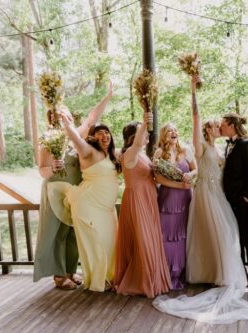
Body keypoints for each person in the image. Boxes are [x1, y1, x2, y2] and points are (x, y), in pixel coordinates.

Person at [153, 73, 248, 324]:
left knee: (227, 234)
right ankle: (212, 273)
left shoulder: (222, 147)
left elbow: (238, 170)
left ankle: (223, 272)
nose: (218, 127)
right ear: (207, 129)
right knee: (212, 233)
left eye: (219, 125)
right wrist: (193, 91)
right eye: (215, 125)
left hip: (219, 195)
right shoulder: (200, 146)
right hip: (205, 195)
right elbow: (195, 118)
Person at [32, 83, 109, 289]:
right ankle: (58, 275)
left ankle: (70, 271)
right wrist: (53, 168)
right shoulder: (48, 140)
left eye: (67, 115)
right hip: (55, 190)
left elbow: (92, 117)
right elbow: (42, 169)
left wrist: (108, 96)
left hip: (76, 191)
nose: (65, 118)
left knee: (73, 231)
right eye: (60, 115)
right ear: (53, 118)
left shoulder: (77, 135)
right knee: (57, 232)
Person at [49, 107, 120, 292]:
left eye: (107, 132)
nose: (104, 136)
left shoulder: (111, 155)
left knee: (110, 242)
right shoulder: (88, 151)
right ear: (93, 137)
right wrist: (66, 123)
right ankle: (99, 279)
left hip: (106, 209)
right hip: (88, 205)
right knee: (96, 242)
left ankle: (110, 276)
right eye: (99, 133)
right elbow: (75, 138)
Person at [113, 113, 171, 298]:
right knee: (143, 241)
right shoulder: (130, 153)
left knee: (148, 239)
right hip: (137, 200)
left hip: (148, 200)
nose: (146, 134)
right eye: (141, 131)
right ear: (133, 135)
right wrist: (145, 122)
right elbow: (137, 144)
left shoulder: (143, 156)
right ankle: (143, 281)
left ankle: (152, 278)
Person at [219, 112, 248, 287]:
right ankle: (240, 269)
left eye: (222, 124)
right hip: (227, 199)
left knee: (247, 236)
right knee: (234, 235)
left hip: (242, 200)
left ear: (231, 125)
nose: (220, 127)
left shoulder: (246, 144)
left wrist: (246, 196)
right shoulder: (228, 146)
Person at [153, 123, 194, 290]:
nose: (173, 132)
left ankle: (182, 272)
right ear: (164, 135)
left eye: (175, 130)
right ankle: (167, 274)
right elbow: (158, 179)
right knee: (167, 237)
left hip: (186, 199)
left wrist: (190, 175)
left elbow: (196, 169)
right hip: (168, 199)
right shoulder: (159, 153)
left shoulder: (185, 150)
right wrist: (179, 186)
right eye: (169, 131)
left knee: (183, 236)